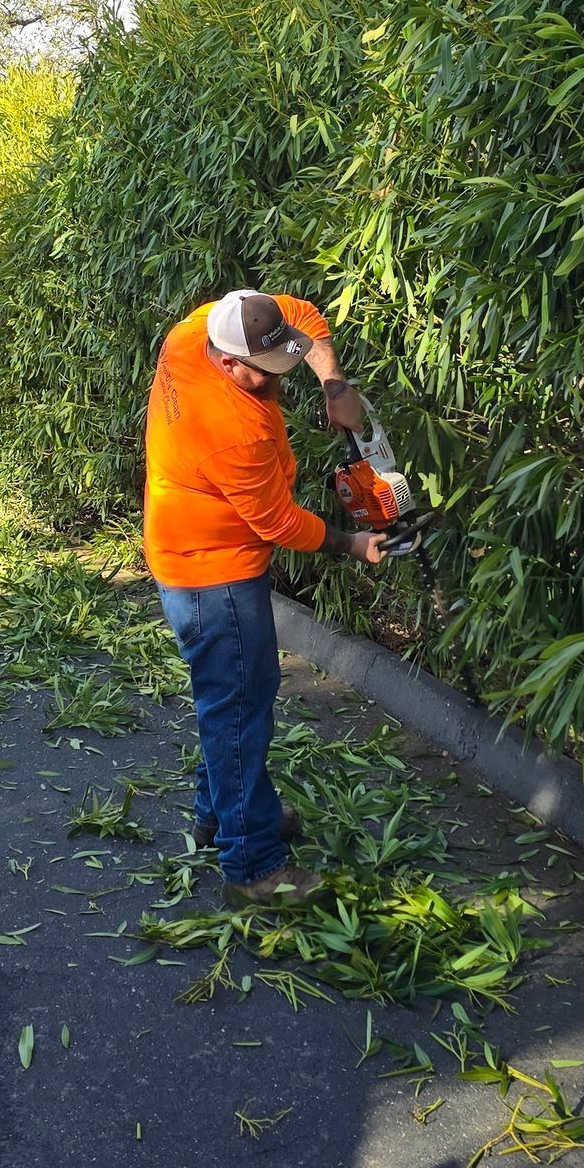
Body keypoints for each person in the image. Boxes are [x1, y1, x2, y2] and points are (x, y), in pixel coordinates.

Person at [144, 288, 388, 906]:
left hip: (190, 550)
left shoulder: (194, 330)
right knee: (240, 709)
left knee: (231, 699)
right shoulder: (232, 430)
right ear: (226, 362)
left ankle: (219, 814)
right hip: (212, 573)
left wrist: (334, 385)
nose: (276, 378)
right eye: (264, 370)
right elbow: (278, 524)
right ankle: (252, 864)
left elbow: (298, 314)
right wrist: (352, 544)